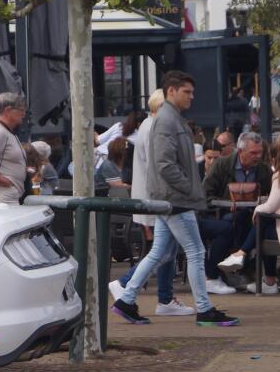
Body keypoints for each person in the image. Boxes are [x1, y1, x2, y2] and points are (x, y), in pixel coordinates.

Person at [111, 70, 239, 327]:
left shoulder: (170, 119)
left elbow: (165, 164)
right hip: (175, 199)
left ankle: (126, 299)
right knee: (195, 251)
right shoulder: (168, 122)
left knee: (160, 252)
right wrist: (191, 191)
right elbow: (165, 165)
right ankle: (204, 310)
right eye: (187, 92)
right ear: (171, 91)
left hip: (170, 198)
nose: (192, 97)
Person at [109, 89, 194, 317]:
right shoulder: (156, 127)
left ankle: (156, 296)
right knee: (169, 251)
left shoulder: (147, 126)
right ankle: (131, 286)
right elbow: (161, 166)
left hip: (154, 198)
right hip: (160, 198)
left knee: (165, 250)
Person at [218, 129, 280, 294]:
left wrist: (258, 209)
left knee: (262, 224)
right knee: (264, 220)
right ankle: (243, 257)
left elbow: (270, 206)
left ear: (274, 158)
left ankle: (265, 277)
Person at [203, 130, 271, 294]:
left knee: (258, 223)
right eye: (253, 153)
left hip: (252, 215)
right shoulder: (222, 165)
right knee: (236, 222)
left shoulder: (263, 170)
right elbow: (206, 195)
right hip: (223, 213)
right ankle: (240, 268)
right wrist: (227, 204)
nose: (257, 156)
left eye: (259, 152)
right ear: (240, 151)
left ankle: (241, 266)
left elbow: (270, 194)